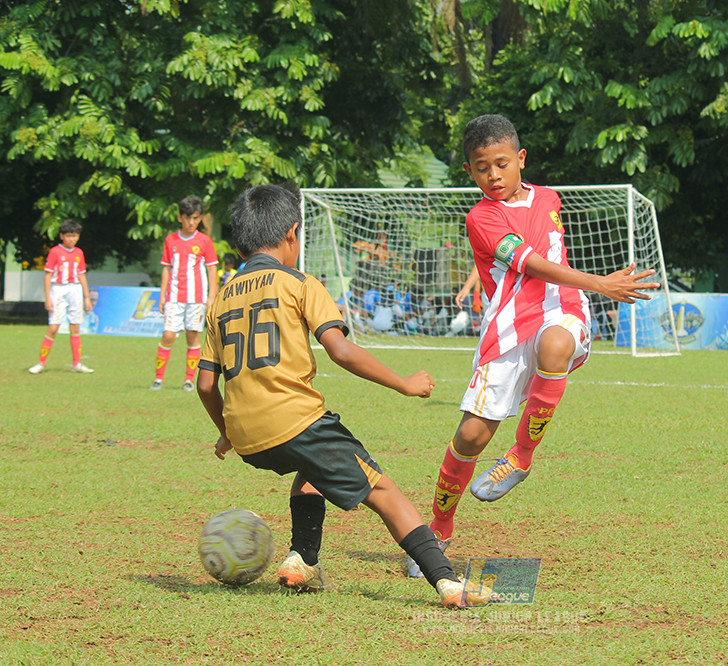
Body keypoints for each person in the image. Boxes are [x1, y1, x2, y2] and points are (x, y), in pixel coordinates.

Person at [196, 183, 486, 608]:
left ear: (239, 243)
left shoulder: (219, 299)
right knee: (384, 493)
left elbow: (206, 385)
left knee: (311, 465)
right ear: (292, 233)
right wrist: (404, 383)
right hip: (294, 420)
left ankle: (302, 560)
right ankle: (449, 583)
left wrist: (227, 432)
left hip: (247, 437)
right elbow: (341, 351)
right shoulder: (299, 283)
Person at [406, 113, 659, 577]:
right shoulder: (481, 217)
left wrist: (589, 289)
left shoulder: (549, 198)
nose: (493, 175)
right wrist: (602, 283)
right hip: (508, 326)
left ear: (521, 158)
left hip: (562, 309)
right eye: (481, 167)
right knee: (471, 436)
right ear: (469, 171)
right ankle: (438, 530)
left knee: (557, 344)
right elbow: (531, 263)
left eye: (501, 163)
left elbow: (549, 264)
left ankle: (520, 457)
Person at [151, 196, 219, 391]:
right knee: (168, 335)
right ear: (180, 217)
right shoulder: (171, 239)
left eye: (195, 218)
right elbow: (166, 268)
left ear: (200, 218)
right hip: (174, 297)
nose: (191, 222)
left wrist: (211, 298)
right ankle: (158, 378)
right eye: (188, 218)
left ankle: (189, 379)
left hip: (196, 299)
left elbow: (212, 269)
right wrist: (162, 295)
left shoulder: (204, 241)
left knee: (193, 336)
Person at [27, 219, 95, 374]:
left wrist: (86, 297)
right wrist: (48, 297)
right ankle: (41, 363)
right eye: (69, 236)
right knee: (53, 327)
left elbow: (82, 275)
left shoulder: (79, 253)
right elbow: (48, 275)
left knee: (75, 326)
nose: (72, 239)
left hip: (75, 289)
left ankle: (76, 363)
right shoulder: (55, 252)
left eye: (75, 235)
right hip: (58, 290)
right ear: (62, 236)